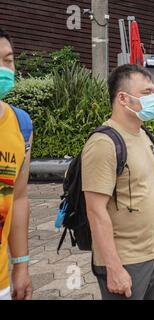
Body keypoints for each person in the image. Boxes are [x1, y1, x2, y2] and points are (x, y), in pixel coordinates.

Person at [82, 64, 154, 300]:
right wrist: (114, 268)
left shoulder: (143, 134)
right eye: (147, 92)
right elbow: (95, 210)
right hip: (125, 262)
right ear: (123, 98)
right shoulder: (104, 143)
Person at [0, 28, 33, 301]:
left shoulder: (21, 125)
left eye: (8, 60)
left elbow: (18, 197)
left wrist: (20, 264)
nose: (4, 68)